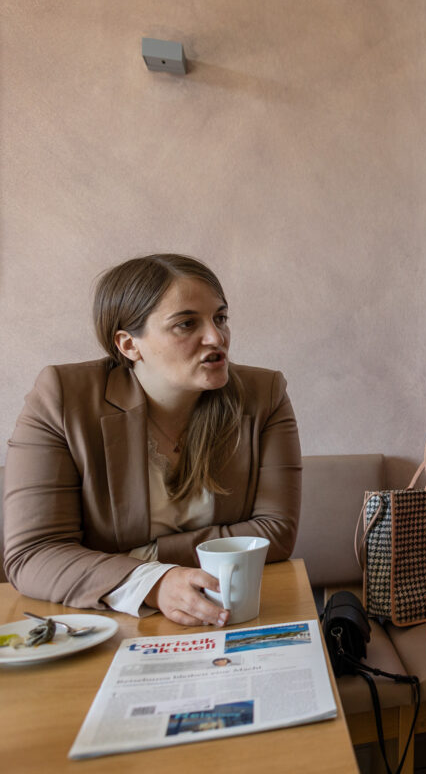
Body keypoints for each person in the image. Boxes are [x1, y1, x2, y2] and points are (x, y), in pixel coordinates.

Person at [3, 254, 301, 628]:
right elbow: (32, 555)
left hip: (227, 612)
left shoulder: (264, 394)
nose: (216, 337)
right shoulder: (63, 398)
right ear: (129, 344)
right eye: (186, 323)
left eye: (220, 318)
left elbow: (275, 532)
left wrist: (140, 557)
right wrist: (154, 582)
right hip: (104, 622)